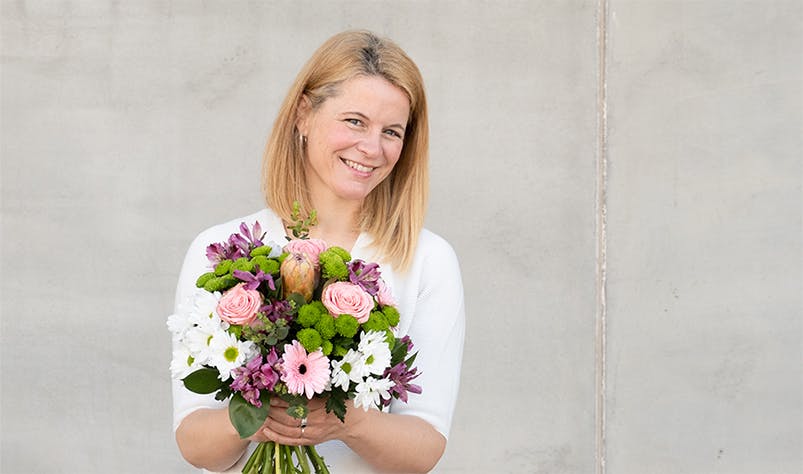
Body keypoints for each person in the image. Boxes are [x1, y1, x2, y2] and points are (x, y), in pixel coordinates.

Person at [171, 30, 465, 473]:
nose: (372, 148)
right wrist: (259, 412)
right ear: (303, 114)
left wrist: (344, 421)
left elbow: (424, 447)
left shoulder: (427, 260)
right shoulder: (223, 252)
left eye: (392, 131)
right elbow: (195, 442)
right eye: (354, 121)